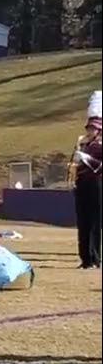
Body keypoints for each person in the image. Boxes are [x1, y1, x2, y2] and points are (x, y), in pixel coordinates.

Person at [73, 91, 102, 269]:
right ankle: (85, 258)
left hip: (97, 184)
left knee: (94, 222)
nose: (89, 131)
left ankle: (95, 257)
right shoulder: (83, 144)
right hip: (82, 184)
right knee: (82, 222)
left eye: (92, 128)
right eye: (88, 128)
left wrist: (86, 159)